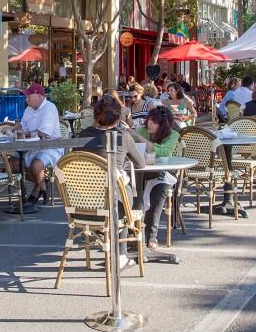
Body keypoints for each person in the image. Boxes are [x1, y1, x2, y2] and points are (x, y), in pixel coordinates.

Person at [77, 94, 145, 269]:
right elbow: (140, 163)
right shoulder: (122, 136)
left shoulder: (82, 136)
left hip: (82, 204)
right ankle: (120, 254)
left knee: (118, 190)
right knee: (125, 192)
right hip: (113, 204)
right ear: (118, 116)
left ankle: (103, 235)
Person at [132, 105, 180, 249]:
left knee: (159, 191)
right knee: (131, 189)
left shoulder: (173, 135)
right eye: (149, 120)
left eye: (154, 121)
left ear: (163, 125)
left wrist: (140, 139)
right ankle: (134, 233)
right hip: (141, 172)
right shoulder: (141, 130)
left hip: (163, 172)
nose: (149, 124)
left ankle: (151, 235)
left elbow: (163, 152)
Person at [12, 83, 63, 204]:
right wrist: (13, 129)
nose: (27, 99)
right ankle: (41, 183)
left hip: (49, 147)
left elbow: (42, 133)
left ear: (40, 96)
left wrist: (23, 133)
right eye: (26, 96)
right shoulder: (28, 109)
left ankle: (37, 188)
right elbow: (23, 128)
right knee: (12, 164)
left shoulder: (50, 108)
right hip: (30, 147)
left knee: (36, 166)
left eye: (29, 96)